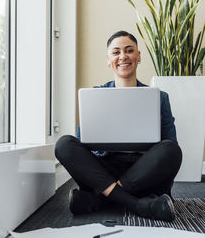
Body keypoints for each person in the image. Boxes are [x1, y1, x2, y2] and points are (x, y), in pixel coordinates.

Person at [54, 30, 182, 221]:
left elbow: (170, 143)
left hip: (143, 171)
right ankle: (140, 205)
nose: (123, 56)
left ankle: (100, 199)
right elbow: (82, 143)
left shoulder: (160, 97)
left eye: (129, 50)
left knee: (171, 150)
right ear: (108, 59)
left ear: (138, 57)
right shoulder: (95, 95)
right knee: (64, 144)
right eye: (116, 52)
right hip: (105, 169)